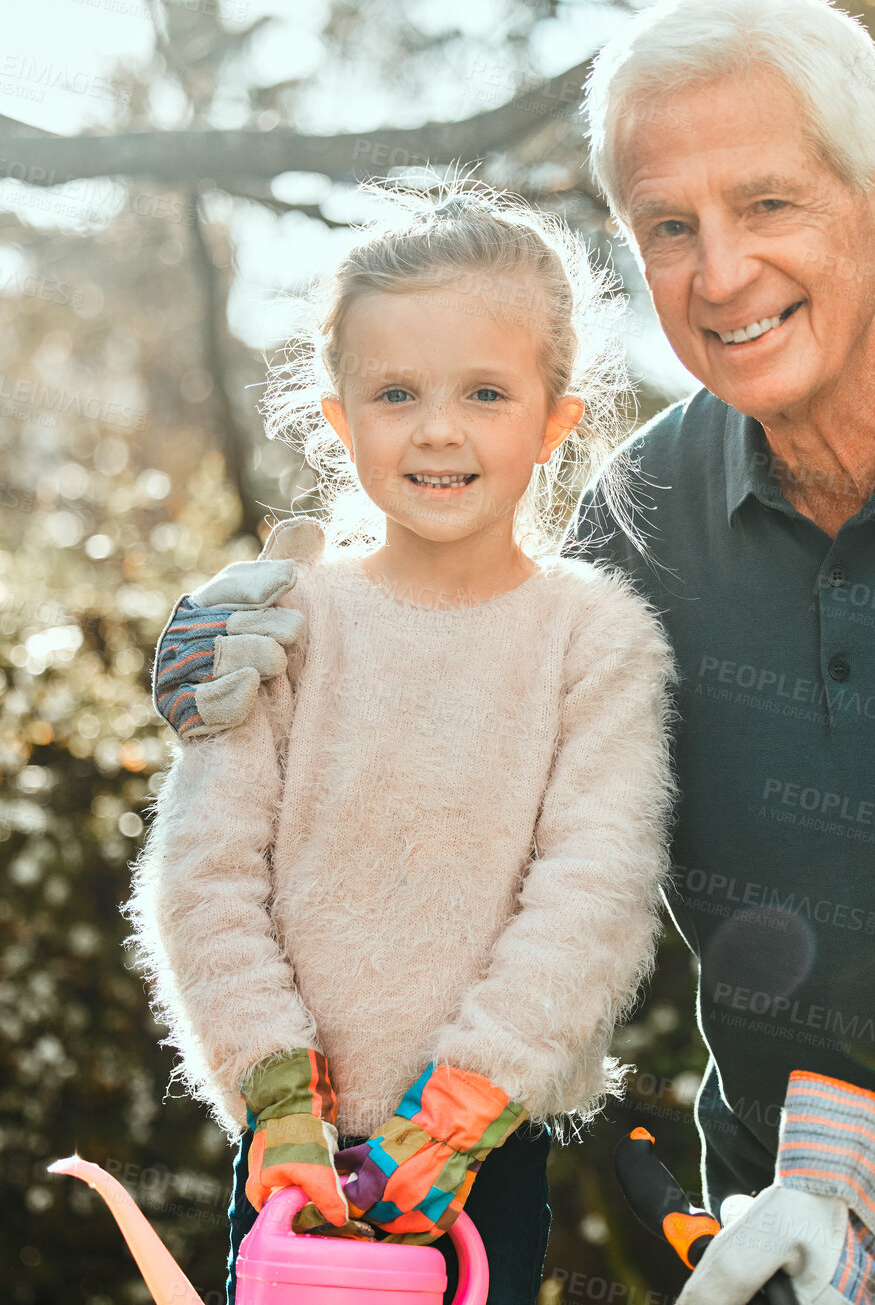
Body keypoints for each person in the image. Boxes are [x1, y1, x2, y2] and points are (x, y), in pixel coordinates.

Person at [148, 0, 875, 1305]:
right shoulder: (640, 526)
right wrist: (259, 660)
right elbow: (449, 719)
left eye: (769, 204)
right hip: (810, 1233)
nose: (720, 275)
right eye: (670, 226)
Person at [124, 184, 677, 1305]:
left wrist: (464, 1102)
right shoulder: (283, 622)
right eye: (395, 392)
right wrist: (276, 1096)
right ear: (340, 417)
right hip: (294, 1157)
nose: (438, 426)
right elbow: (206, 868)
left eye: (485, 390)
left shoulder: (594, 638)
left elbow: (595, 885)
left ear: (554, 419)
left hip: (485, 1149)